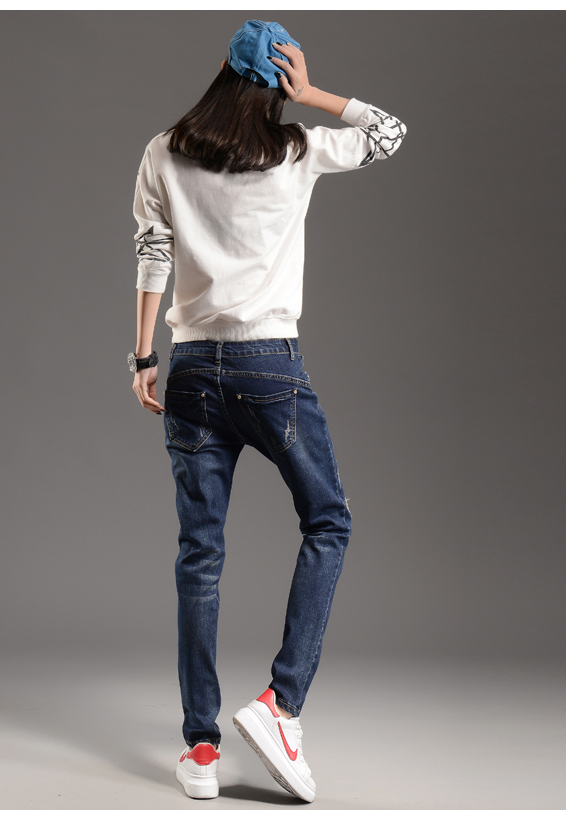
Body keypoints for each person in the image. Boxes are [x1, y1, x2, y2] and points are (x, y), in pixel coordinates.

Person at [129, 20, 407, 803]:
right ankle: (281, 706)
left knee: (199, 555)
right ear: (279, 84)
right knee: (329, 521)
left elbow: (151, 251)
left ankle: (202, 750)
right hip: (269, 368)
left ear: (223, 70)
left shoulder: (162, 151)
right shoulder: (298, 150)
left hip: (191, 369)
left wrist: (144, 356)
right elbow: (390, 132)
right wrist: (314, 94)